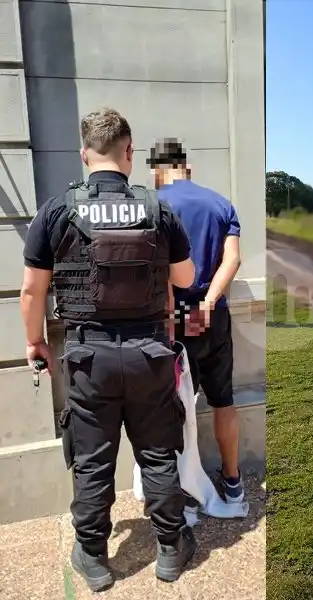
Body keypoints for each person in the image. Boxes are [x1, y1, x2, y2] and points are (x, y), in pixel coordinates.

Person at [20, 108, 197, 591]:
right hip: (149, 356)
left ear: (83, 154)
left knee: (94, 461)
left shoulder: (57, 211)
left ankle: (94, 559)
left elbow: (33, 292)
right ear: (130, 152)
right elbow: (185, 279)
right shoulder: (158, 209)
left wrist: (35, 342)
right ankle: (169, 550)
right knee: (159, 455)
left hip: (87, 360)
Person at [148, 138, 245, 508]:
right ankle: (233, 482)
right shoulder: (221, 204)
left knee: (177, 408)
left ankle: (186, 492)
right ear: (185, 166)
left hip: (172, 319)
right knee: (224, 402)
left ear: (157, 171)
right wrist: (209, 301)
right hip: (214, 314)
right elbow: (232, 261)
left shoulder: (155, 205)